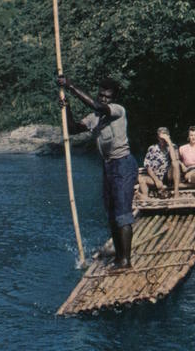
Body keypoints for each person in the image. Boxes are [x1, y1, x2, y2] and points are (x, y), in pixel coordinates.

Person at [57, 76, 138, 270]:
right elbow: (72, 128)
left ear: (113, 99)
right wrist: (66, 105)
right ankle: (119, 255)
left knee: (122, 213)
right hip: (108, 166)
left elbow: (100, 107)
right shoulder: (95, 118)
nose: (103, 99)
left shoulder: (118, 110)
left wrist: (72, 86)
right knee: (111, 213)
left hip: (123, 164)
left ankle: (125, 260)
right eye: (100, 95)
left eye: (107, 97)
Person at [138, 127, 180, 199]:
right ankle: (145, 198)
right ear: (158, 137)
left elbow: (175, 160)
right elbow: (148, 166)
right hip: (155, 177)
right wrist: (156, 180)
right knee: (141, 178)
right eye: (161, 137)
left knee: (175, 163)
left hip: (168, 176)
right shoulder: (152, 148)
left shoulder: (173, 146)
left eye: (164, 137)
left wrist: (169, 142)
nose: (163, 140)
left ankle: (176, 192)